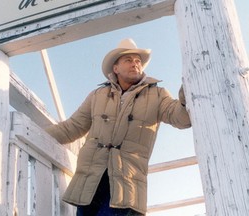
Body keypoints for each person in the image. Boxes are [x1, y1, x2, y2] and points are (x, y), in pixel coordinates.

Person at [46, 38, 191, 215]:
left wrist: (188, 91)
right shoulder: (97, 95)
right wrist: (37, 133)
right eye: (128, 60)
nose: (135, 64)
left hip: (125, 186)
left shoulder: (158, 94)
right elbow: (72, 127)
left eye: (138, 61)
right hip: (89, 184)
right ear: (115, 68)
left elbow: (182, 118)